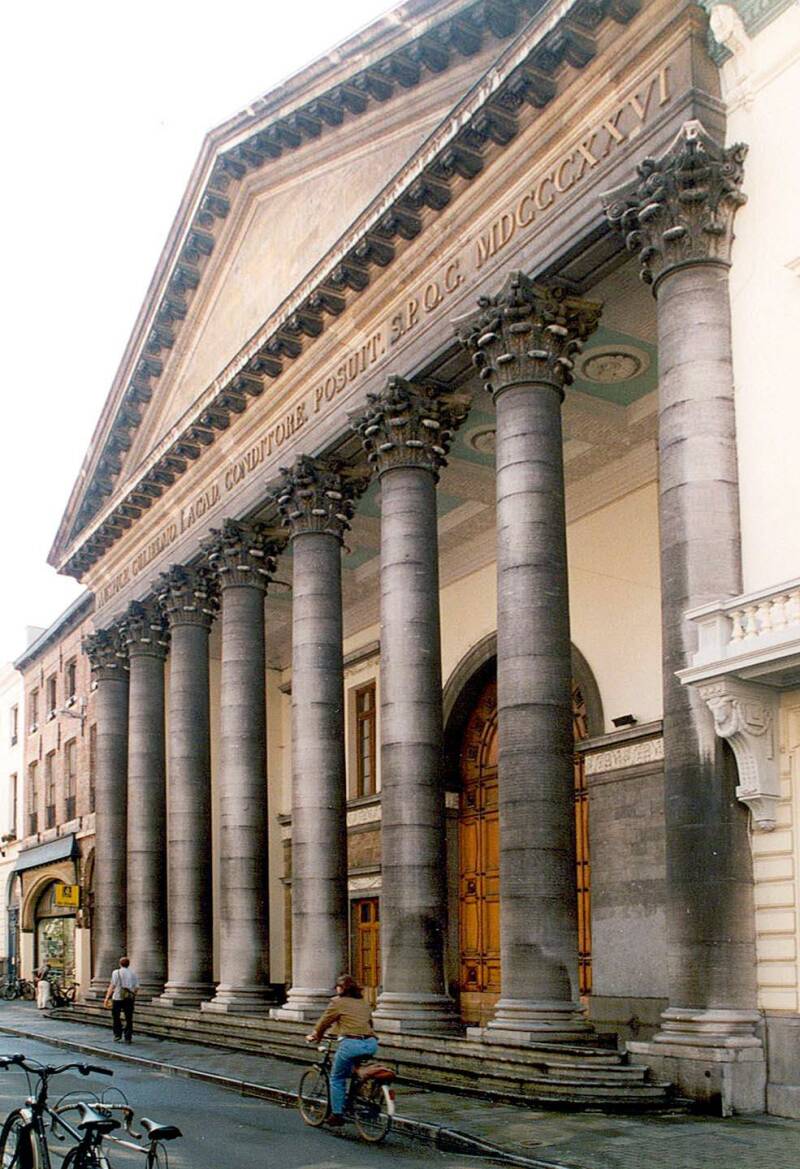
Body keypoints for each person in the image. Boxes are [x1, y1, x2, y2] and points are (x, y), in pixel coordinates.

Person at [306, 974, 378, 1128]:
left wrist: (315, 1035)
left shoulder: (337, 1002)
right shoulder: (364, 1002)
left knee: (337, 1078)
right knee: (353, 1070)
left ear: (342, 988)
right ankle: (355, 1098)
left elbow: (324, 1021)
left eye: (338, 986)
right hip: (371, 1043)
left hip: (351, 1044)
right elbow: (368, 1024)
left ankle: (337, 1115)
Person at [103, 956, 139, 1044]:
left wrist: (107, 997)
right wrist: (133, 995)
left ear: (120, 964)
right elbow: (136, 987)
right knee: (129, 1017)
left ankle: (117, 1034)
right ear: (128, 964)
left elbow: (112, 985)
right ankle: (128, 1037)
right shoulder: (133, 973)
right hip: (129, 998)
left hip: (117, 997)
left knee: (116, 1016)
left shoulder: (116, 972)